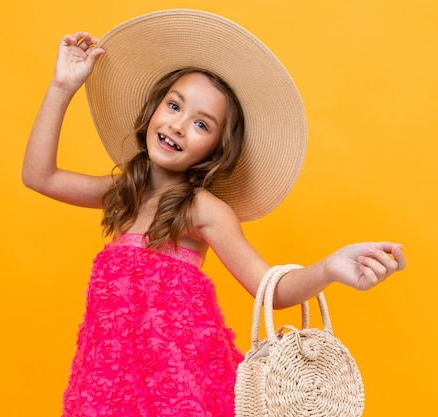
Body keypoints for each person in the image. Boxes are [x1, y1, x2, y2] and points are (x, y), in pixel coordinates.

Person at [22, 9, 405, 417]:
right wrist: (63, 85)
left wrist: (329, 268)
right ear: (153, 109)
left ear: (216, 150)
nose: (180, 125)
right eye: (174, 106)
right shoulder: (125, 193)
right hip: (109, 386)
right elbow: (39, 176)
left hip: (179, 391)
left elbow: (269, 291)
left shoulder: (202, 209)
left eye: (202, 125)